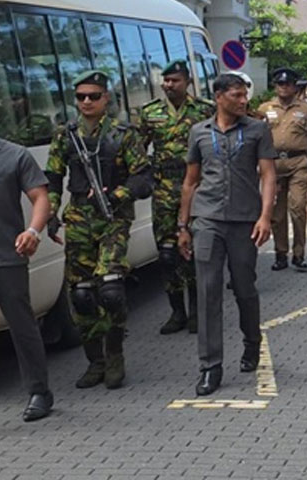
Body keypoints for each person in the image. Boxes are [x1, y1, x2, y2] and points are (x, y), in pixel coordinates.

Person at [45, 70, 152, 390]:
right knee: (81, 294)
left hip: (113, 219)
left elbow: (143, 178)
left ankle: (115, 355)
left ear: (106, 98)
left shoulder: (123, 134)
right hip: (79, 218)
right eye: (81, 97)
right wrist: (51, 211)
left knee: (110, 289)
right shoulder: (66, 135)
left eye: (93, 96)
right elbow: (53, 176)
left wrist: (116, 195)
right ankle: (95, 362)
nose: (87, 102)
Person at [178, 73, 275, 396]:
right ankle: (210, 366)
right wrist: (183, 226)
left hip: (244, 220)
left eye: (245, 95)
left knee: (244, 287)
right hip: (207, 219)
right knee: (208, 291)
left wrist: (265, 217)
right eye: (236, 95)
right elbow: (190, 181)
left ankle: (252, 341)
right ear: (219, 97)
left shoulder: (258, 129)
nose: (243, 100)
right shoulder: (199, 132)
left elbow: (268, 175)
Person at [140, 60, 215, 334]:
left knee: (191, 253)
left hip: (195, 188)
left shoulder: (204, 110)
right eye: (166, 80)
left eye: (175, 80)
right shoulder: (150, 113)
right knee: (167, 254)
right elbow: (137, 151)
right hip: (163, 190)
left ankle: (196, 311)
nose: (169, 85)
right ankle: (176, 311)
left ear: (188, 82)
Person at [0, 130, 54, 421]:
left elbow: (40, 197)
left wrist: (32, 231)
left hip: (6, 256)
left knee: (22, 325)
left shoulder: (15, 155)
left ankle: (39, 391)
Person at [259, 68, 307, 273]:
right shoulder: (265, 109)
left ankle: (299, 254)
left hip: (298, 163)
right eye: (280, 84)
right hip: (273, 166)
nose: (284, 88)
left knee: (298, 206)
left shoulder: (306, 110)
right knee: (276, 213)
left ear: (295, 87)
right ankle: (280, 254)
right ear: (275, 86)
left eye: (288, 84)